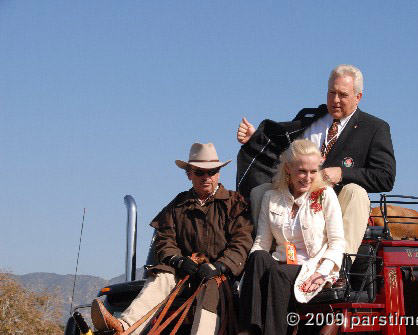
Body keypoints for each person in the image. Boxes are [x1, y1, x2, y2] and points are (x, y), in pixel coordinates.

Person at [236, 64, 396, 261]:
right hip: (294, 200)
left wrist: (342, 174)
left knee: (357, 193)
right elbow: (284, 156)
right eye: (331, 93)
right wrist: (256, 140)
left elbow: (385, 177)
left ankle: (339, 267)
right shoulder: (309, 117)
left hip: (333, 204)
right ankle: (261, 261)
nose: (335, 100)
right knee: (260, 192)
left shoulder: (375, 128)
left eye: (343, 95)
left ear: (358, 97)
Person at [91, 142, 254, 335]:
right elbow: (164, 240)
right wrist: (177, 260)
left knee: (212, 288)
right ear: (189, 174)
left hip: (217, 276)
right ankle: (125, 327)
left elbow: (241, 243)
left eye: (211, 171)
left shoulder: (235, 203)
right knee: (162, 276)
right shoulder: (177, 206)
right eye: (200, 172)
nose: (206, 177)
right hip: (182, 273)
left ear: (218, 173)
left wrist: (219, 266)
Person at [238, 139, 345, 335]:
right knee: (258, 256)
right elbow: (262, 241)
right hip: (280, 263)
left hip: (313, 266)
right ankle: (248, 330)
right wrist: (249, 275)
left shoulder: (326, 195)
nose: (308, 177)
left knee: (278, 274)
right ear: (288, 169)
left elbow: (337, 243)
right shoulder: (271, 197)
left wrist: (323, 272)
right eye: (302, 171)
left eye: (313, 171)